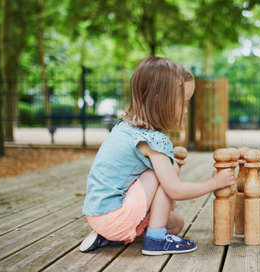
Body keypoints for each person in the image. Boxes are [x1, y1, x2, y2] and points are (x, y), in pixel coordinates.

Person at [79, 57, 235, 255]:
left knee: (176, 224)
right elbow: (175, 190)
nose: (186, 111)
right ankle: (155, 240)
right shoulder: (154, 141)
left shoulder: (124, 127)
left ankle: (109, 237)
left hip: (97, 215)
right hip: (115, 216)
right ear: (161, 100)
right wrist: (215, 182)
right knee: (161, 176)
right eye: (183, 103)